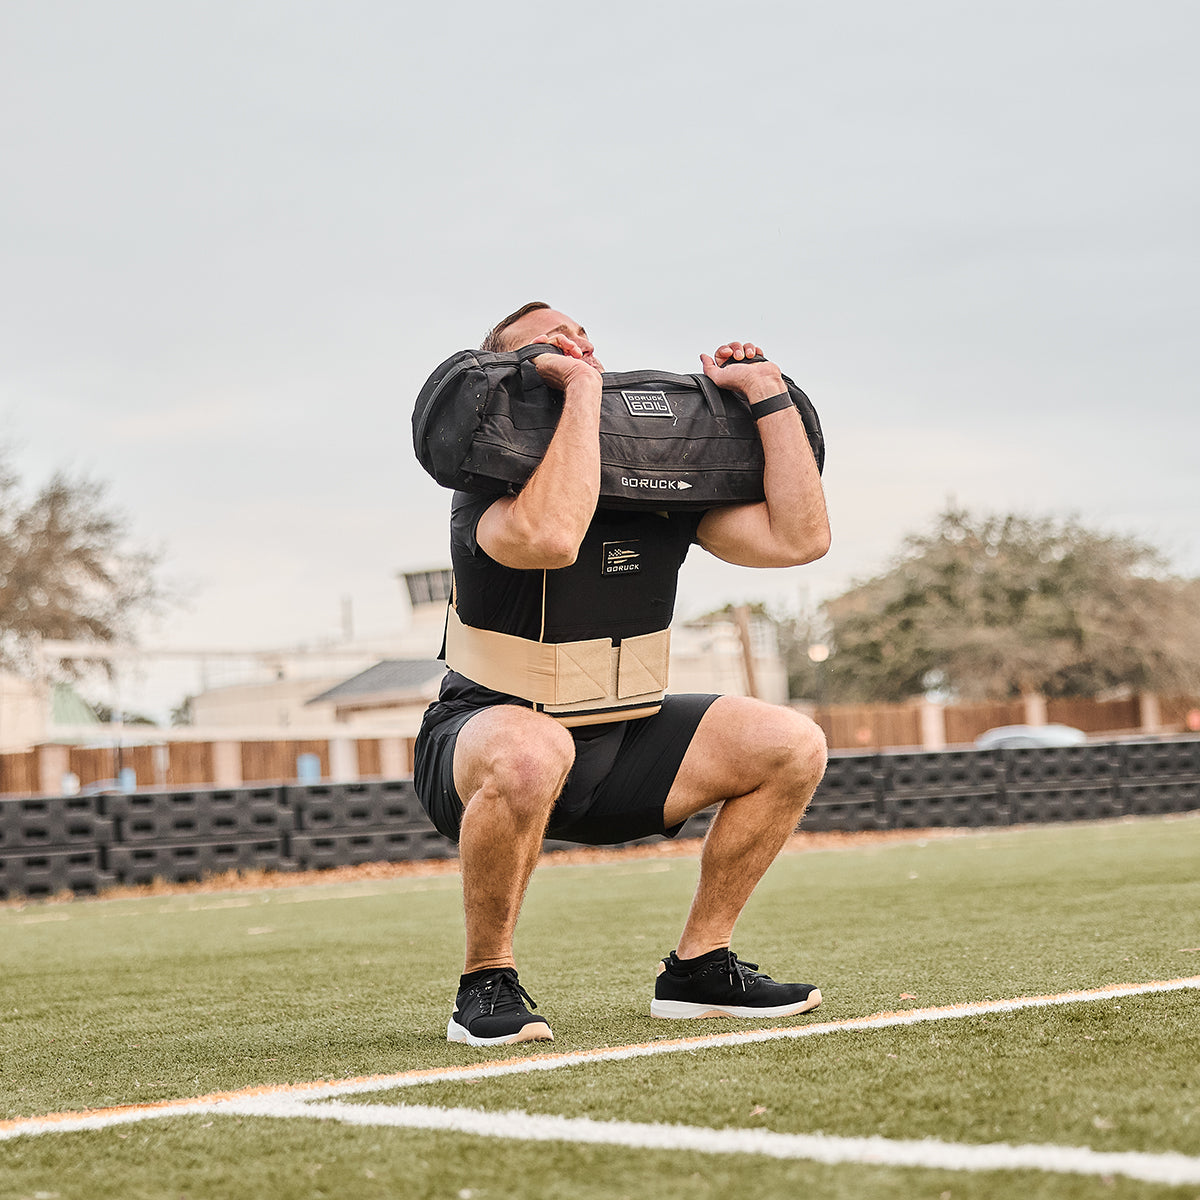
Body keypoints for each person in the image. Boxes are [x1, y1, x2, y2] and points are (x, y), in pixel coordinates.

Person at [414, 301, 831, 1047]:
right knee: (534, 749)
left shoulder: (659, 489)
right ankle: (486, 982)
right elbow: (552, 535)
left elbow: (800, 539)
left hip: (623, 746)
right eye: (548, 340)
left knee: (791, 742)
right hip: (484, 744)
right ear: (512, 372)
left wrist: (765, 392)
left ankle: (699, 969)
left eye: (581, 336)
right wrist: (576, 391)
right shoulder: (488, 494)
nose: (574, 343)